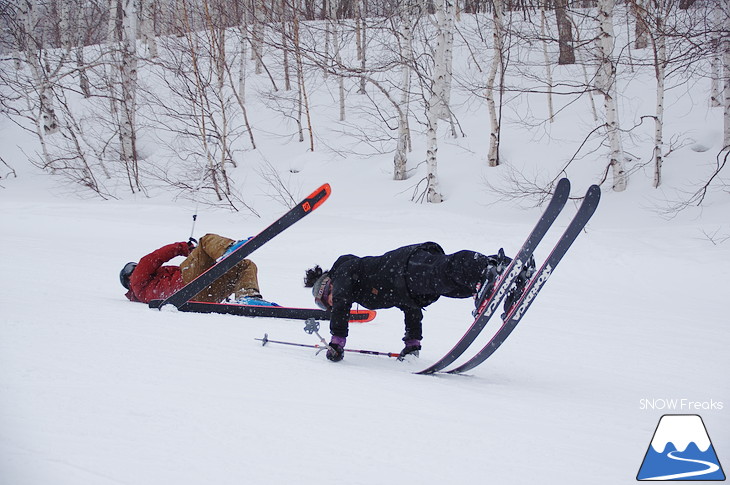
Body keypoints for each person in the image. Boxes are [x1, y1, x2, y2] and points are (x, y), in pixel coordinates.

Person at [304, 242, 530, 362]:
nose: (330, 306)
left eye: (324, 301)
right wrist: (412, 342)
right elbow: (408, 307)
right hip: (411, 289)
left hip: (406, 266)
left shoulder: (343, 271)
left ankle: (488, 270)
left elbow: (341, 301)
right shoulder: (361, 293)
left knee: (446, 269)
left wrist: (337, 341)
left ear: (327, 286)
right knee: (458, 287)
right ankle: (510, 276)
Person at [120, 233, 275, 306]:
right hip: (184, 285)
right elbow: (152, 258)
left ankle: (248, 298)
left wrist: (192, 255)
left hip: (202, 296)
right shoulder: (137, 282)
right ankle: (229, 249)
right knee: (206, 240)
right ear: (128, 278)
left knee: (244, 265)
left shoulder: (149, 287)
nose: (135, 268)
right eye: (131, 268)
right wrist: (183, 248)